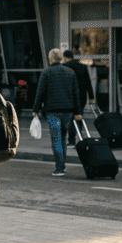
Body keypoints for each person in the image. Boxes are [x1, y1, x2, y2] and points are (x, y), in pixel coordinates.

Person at [33, 49, 82, 177]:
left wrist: (35, 110)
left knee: (56, 140)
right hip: (68, 111)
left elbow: (40, 93)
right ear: (61, 58)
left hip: (53, 112)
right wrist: (78, 112)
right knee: (63, 138)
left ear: (50, 59)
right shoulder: (70, 72)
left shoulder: (46, 73)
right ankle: (62, 165)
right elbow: (76, 93)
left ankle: (59, 167)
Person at [63, 50, 94, 144]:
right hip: (82, 97)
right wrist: (91, 97)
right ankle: (80, 137)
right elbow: (88, 83)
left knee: (70, 118)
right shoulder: (83, 66)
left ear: (65, 57)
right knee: (79, 116)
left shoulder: (64, 67)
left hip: (70, 97)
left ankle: (71, 140)